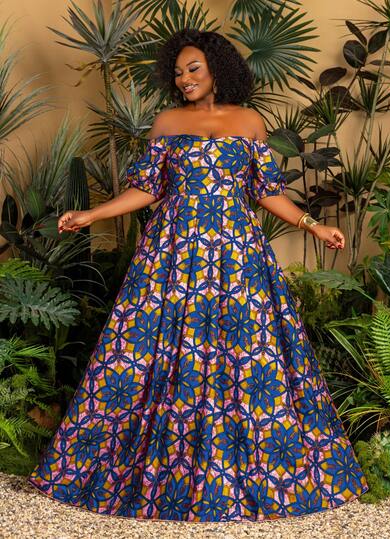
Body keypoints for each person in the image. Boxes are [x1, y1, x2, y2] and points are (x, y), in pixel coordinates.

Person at [28, 28, 368, 522]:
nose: (183, 79)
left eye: (193, 69)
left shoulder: (250, 122)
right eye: (177, 72)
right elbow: (148, 189)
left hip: (237, 258)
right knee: (144, 353)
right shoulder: (167, 123)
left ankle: (258, 477)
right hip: (171, 256)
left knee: (248, 355)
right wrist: (91, 214)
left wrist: (313, 225)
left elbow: (266, 192)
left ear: (217, 70)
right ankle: (155, 478)